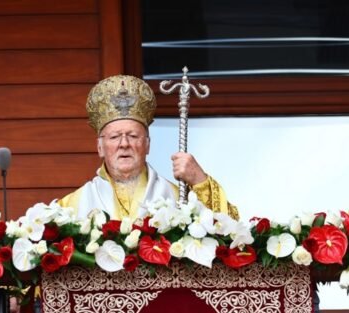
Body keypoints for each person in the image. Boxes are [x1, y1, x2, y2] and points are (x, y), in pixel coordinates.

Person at [58, 75, 238, 219]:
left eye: (133, 136)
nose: (124, 144)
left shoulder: (177, 199)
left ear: (147, 145)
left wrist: (199, 181)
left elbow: (228, 229)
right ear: (100, 147)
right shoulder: (69, 207)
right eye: (114, 137)